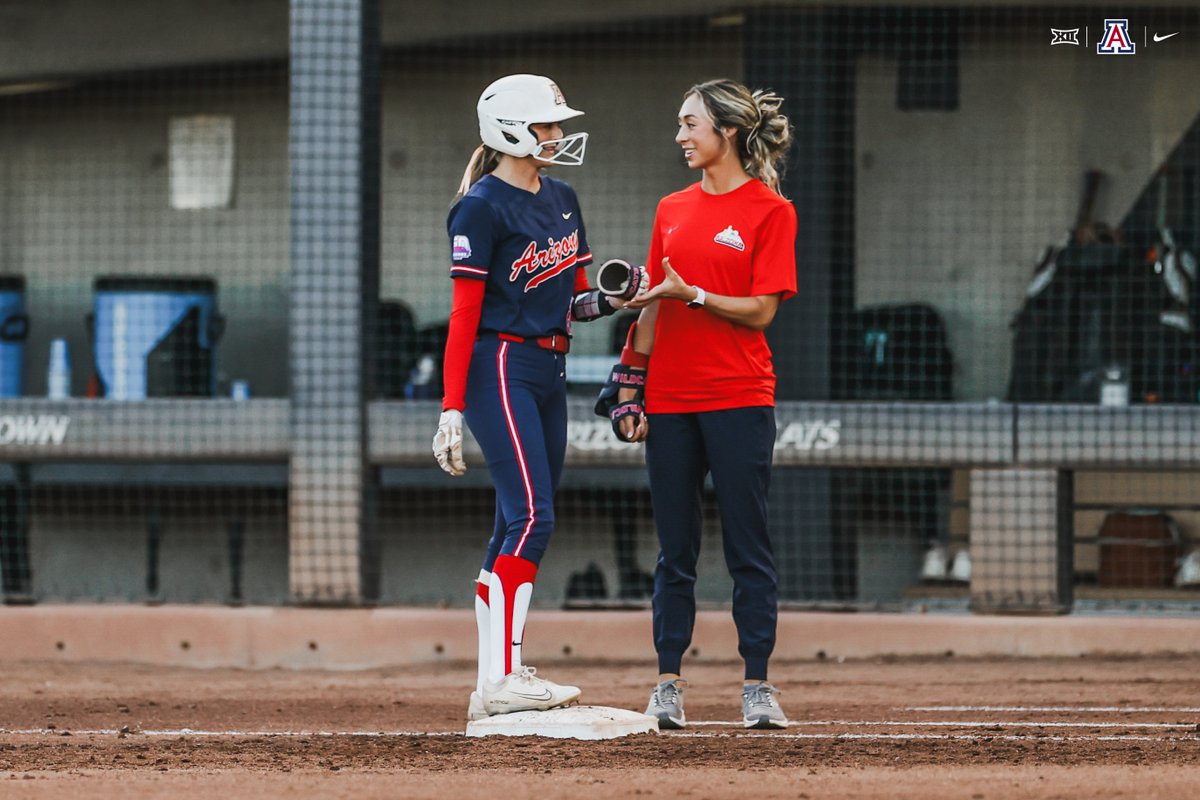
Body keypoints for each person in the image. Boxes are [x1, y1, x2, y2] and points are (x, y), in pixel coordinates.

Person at [431, 74, 644, 721]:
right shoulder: (480, 206)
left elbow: (575, 302)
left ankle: (492, 681)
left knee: (512, 522)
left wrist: (615, 297)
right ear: (510, 130)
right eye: (547, 124)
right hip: (500, 365)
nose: (557, 135)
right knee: (532, 516)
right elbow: (464, 314)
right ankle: (501, 679)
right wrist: (450, 406)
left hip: (550, 368)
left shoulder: (564, 197)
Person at [607, 78, 797, 730]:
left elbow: (763, 311)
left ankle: (758, 687)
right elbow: (659, 303)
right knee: (675, 551)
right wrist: (631, 379)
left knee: (750, 547)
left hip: (740, 397)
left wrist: (696, 297)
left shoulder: (772, 211)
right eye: (681, 124)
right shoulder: (670, 209)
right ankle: (667, 685)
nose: (682, 136)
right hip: (670, 400)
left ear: (729, 132)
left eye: (692, 124)